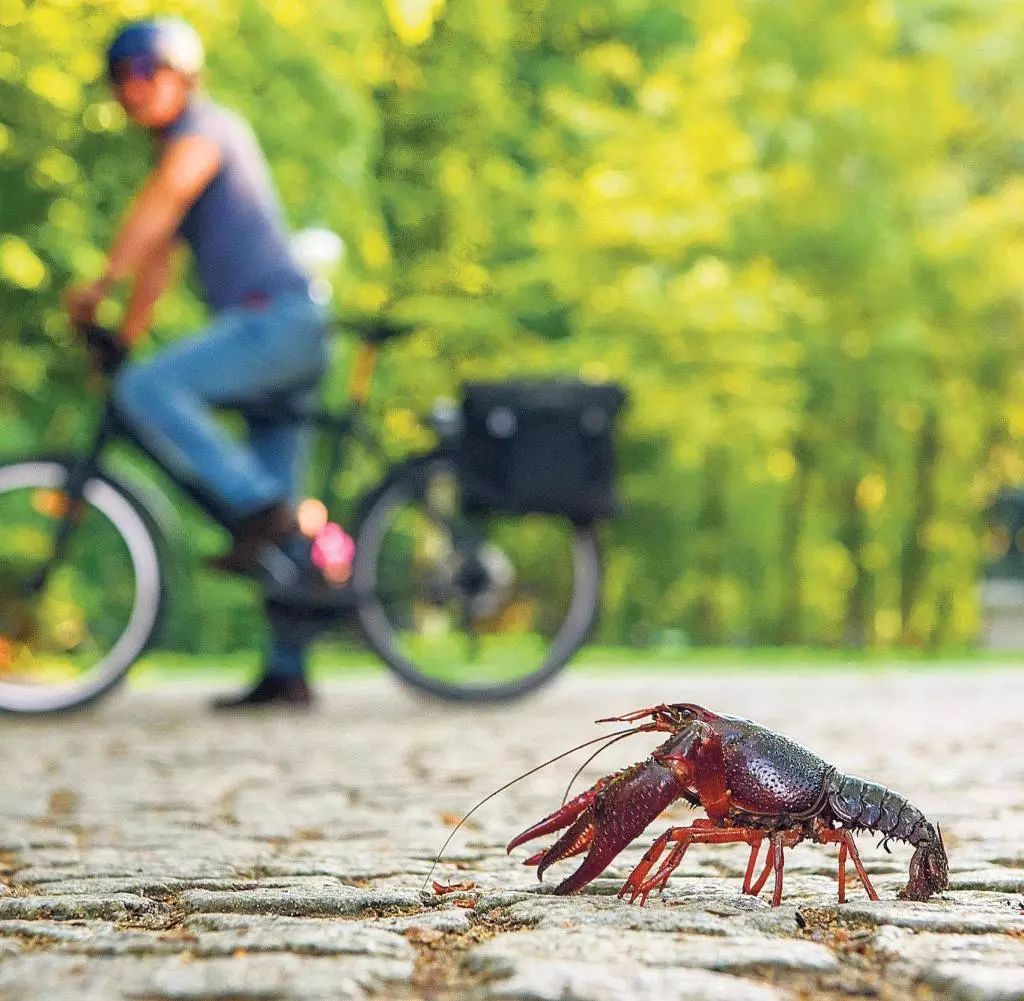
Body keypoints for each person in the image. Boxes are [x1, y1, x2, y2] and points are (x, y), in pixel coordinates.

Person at [64, 17, 328, 709]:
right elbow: (158, 258)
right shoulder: (181, 151)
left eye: (146, 71)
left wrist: (97, 284)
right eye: (123, 77)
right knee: (277, 495)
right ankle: (287, 669)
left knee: (152, 393)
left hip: (277, 322)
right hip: (283, 330)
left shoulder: (207, 130)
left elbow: (159, 207)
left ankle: (257, 509)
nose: (133, 87)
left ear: (182, 75)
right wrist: (124, 333)